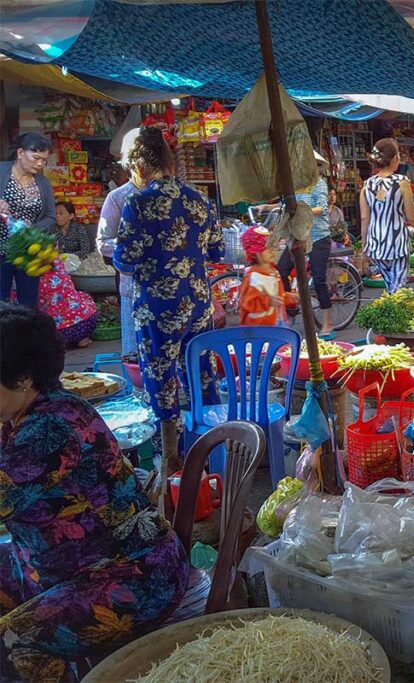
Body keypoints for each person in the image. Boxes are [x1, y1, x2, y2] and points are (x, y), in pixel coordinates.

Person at [0, 304, 189, 682]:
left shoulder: (51, 429)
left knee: (15, 639)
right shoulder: (23, 412)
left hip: (134, 575)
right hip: (61, 564)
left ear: (22, 379)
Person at [114, 127, 222, 426]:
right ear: (170, 163)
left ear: (139, 166)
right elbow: (216, 252)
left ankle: (171, 454)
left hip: (157, 308)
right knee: (202, 374)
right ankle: (213, 442)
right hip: (199, 304)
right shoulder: (200, 199)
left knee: (160, 379)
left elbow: (125, 260)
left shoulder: (137, 203)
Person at [359, 138, 414, 294]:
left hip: (376, 243)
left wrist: (364, 246)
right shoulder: (402, 182)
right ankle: (394, 312)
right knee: (398, 289)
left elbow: (364, 219)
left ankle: (389, 308)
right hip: (396, 243)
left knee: (390, 286)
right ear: (394, 159)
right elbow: (411, 217)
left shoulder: (367, 184)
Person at [272, 152, 335, 336]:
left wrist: (303, 211)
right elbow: (285, 205)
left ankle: (328, 322)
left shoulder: (319, 184)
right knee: (281, 270)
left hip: (318, 237)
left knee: (319, 278)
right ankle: (290, 311)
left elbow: (322, 208)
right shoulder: (294, 187)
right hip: (297, 236)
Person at [98, 126, 143, 356]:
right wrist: (133, 247)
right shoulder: (118, 197)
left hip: (174, 291)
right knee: (134, 355)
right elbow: (104, 242)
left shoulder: (181, 194)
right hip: (132, 286)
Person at [0, 133, 56, 308]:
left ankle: (26, 335)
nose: (40, 164)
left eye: (44, 160)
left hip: (28, 253)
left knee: (29, 304)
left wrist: (34, 227)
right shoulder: (1, 172)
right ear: (20, 153)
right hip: (1, 250)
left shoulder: (43, 183)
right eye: (36, 158)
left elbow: (51, 217)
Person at [37, 250, 98, 348]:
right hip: (84, 324)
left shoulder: (31, 277)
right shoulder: (59, 267)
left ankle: (63, 343)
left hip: (53, 333)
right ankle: (81, 338)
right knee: (84, 297)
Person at [238, 226, 297, 326]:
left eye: (272, 246)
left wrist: (289, 297)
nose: (271, 251)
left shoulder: (274, 271)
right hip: (257, 326)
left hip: (276, 321)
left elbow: (278, 295)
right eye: (265, 248)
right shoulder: (253, 277)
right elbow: (246, 303)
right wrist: (268, 301)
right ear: (254, 253)